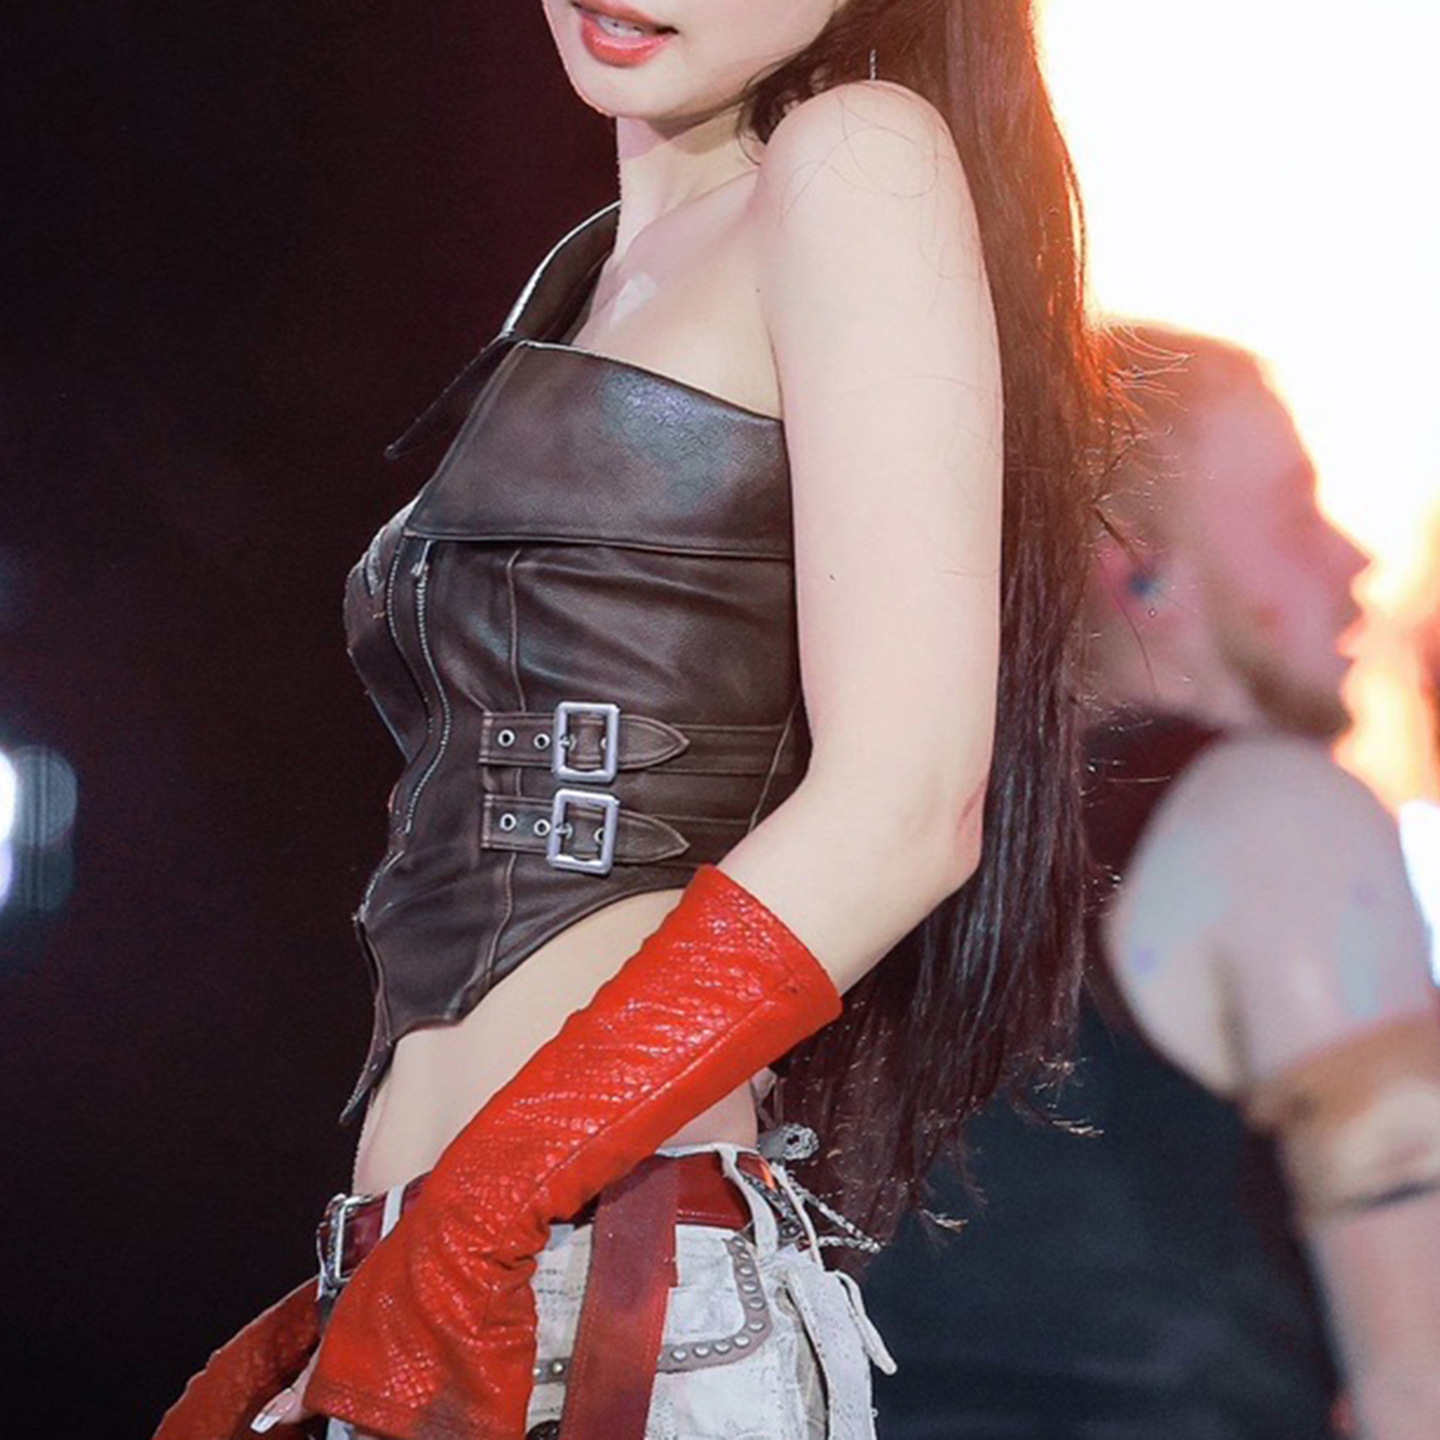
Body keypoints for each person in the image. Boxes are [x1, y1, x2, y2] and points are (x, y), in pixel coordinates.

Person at [154, 4, 1106, 1439]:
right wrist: (386, 1274)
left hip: (601, 1295)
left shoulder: (854, 158)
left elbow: (909, 805)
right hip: (467, 1272)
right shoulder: (593, 269)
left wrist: (475, 1218)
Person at [864, 325, 1440, 1440]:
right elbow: (1417, 1377)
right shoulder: (1281, 815)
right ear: (1138, 565)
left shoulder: (892, 840)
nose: (1354, 560)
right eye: (1294, 513)